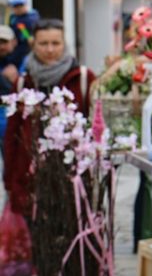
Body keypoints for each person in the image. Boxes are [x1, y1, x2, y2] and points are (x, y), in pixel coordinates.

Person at [3, 18, 96, 215]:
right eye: (43, 43)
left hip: (73, 176)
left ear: (65, 44)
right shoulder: (23, 83)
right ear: (33, 45)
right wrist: (10, 181)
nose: (50, 49)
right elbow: (12, 135)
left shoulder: (83, 79)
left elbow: (96, 126)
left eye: (56, 43)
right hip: (30, 178)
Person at [7, 0, 39, 72]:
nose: (18, 8)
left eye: (21, 5)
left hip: (24, 51)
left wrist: (27, 36)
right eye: (15, 6)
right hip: (14, 50)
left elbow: (29, 38)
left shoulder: (30, 19)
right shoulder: (13, 17)